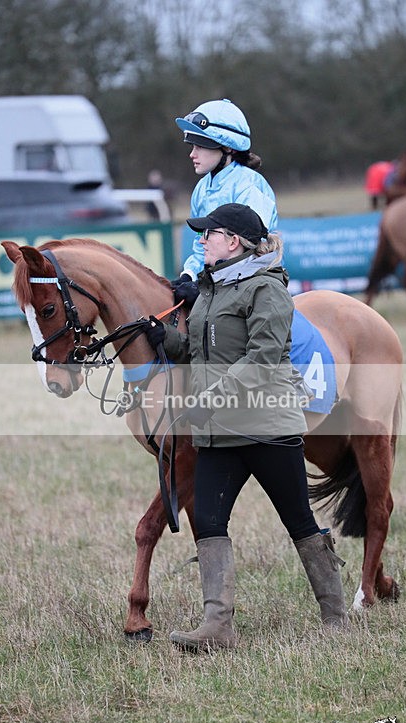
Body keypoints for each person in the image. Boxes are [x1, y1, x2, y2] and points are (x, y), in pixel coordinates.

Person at [144, 202, 349, 651]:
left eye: (208, 234)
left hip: (266, 428)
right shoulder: (212, 289)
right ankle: (217, 627)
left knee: (298, 521)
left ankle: (335, 617)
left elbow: (262, 359)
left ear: (232, 241)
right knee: (210, 521)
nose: (201, 241)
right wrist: (168, 342)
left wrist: (208, 399)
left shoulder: (266, 290)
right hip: (219, 434)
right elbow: (202, 353)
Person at [171, 98, 278, 306]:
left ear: (228, 148)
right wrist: (189, 275)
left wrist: (205, 285)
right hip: (216, 287)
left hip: (254, 291)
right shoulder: (201, 188)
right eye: (192, 145)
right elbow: (199, 247)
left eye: (200, 145)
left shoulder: (250, 185)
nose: (192, 154)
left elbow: (252, 252)